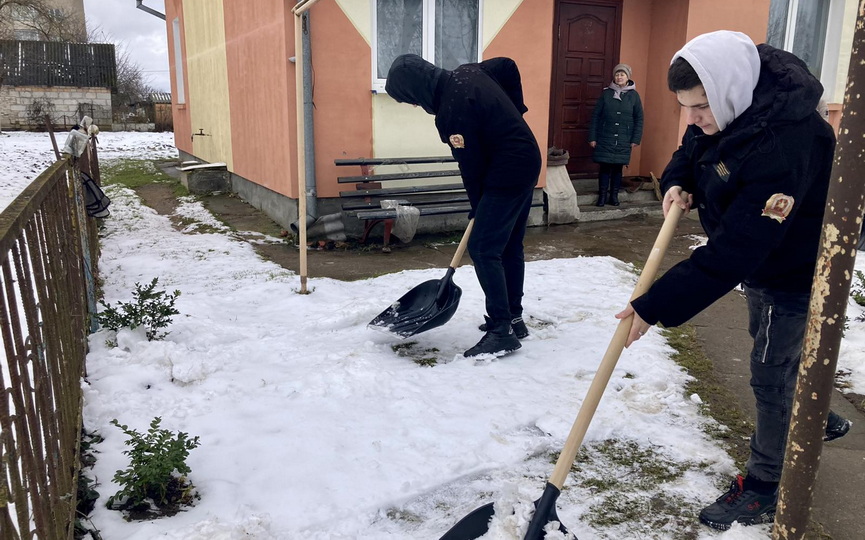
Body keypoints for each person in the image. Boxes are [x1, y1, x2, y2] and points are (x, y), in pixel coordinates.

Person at [613, 31, 851, 530]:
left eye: (700, 106)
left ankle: (765, 485)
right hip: (763, 265)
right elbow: (695, 142)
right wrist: (680, 178)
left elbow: (738, 248)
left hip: (798, 271)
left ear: (728, 91)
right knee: (773, 351)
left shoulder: (787, 141)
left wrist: (656, 304)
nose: (693, 117)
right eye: (686, 107)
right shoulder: (733, 100)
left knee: (769, 373)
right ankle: (811, 415)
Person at [386, 54, 541, 358]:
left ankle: (501, 330)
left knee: (484, 248)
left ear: (415, 89)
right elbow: (508, 65)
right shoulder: (468, 72)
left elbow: (472, 169)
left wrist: (478, 207)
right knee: (508, 245)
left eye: (409, 100)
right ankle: (514, 318)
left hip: (507, 170)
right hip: (527, 159)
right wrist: (515, 113)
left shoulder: (450, 113)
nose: (416, 106)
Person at [588, 63, 644, 206]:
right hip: (605, 137)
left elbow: (639, 118)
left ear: (627, 77)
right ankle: (602, 197)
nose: (619, 77)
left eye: (622, 74)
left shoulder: (634, 96)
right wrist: (592, 137)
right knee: (605, 168)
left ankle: (614, 197)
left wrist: (635, 139)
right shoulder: (606, 94)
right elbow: (596, 116)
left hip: (624, 138)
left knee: (618, 169)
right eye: (617, 74)